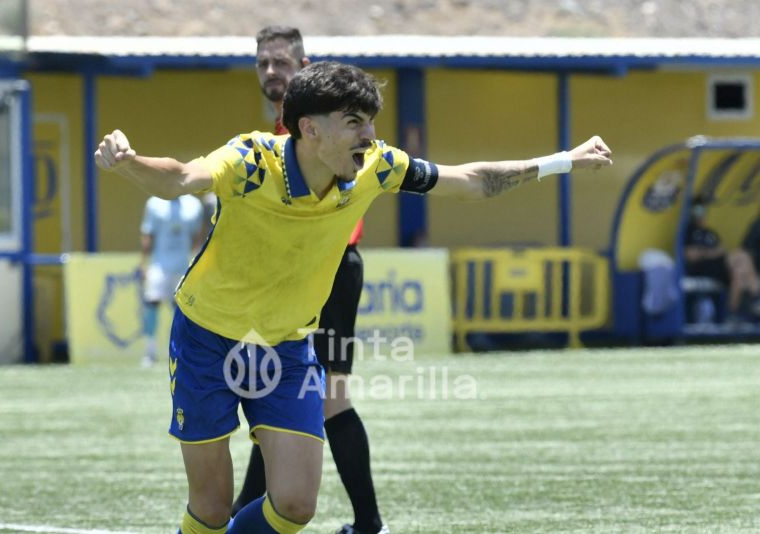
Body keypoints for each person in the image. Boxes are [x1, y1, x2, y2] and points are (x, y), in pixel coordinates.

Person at [94, 60, 612, 534]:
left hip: (287, 347)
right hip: (205, 339)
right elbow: (182, 177)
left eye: (370, 121)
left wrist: (563, 161)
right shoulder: (252, 160)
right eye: (355, 122)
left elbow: (471, 181)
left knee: (296, 505)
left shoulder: (376, 166)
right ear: (309, 128)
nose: (370, 135)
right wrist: (128, 160)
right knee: (209, 508)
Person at [229, 26, 384, 534]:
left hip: (331, 269)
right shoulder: (284, 133)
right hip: (294, 275)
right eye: (263, 64)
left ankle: (368, 524)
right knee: (275, 392)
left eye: (281, 62)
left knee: (327, 397)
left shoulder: (320, 129)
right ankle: (248, 513)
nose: (272, 72)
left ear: (305, 65)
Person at [139, 195, 203, 367]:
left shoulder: (194, 205)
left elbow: (196, 237)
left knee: (182, 311)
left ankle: (179, 351)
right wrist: (143, 264)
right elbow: (148, 235)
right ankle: (150, 351)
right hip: (159, 266)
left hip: (183, 266)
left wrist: (195, 263)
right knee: (152, 304)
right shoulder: (154, 203)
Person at [683, 196, 760, 322]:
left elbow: (722, 249)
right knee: (740, 255)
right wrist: (710, 253)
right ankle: (756, 295)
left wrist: (710, 252)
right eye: (697, 210)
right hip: (704, 268)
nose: (701, 214)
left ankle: (732, 315)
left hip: (722, 268)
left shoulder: (710, 233)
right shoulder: (689, 230)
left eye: (703, 210)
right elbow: (690, 255)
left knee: (738, 275)